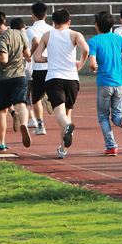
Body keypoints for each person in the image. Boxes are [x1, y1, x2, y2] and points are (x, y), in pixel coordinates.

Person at [33, 9, 90, 159]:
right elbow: (86, 49)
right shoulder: (75, 34)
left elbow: (37, 58)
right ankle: (63, 149)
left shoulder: (47, 35)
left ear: (54, 22)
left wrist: (49, 59)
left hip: (54, 77)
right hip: (72, 78)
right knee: (67, 114)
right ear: (69, 22)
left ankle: (67, 128)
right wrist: (81, 64)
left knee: (59, 114)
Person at [88, 11, 122, 156]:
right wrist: (119, 64)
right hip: (120, 82)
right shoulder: (118, 38)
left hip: (104, 82)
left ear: (96, 24)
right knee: (116, 115)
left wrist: (96, 67)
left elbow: (92, 64)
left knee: (103, 116)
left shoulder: (94, 41)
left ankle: (112, 146)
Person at [0, 13, 32, 151]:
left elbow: (3, 59)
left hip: (3, 78)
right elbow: (27, 54)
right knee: (21, 104)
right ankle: (23, 123)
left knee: (2, 111)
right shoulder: (19, 34)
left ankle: (1, 142)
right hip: (20, 75)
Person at [26, 2, 52, 136]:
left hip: (39, 67)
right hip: (52, 67)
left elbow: (35, 42)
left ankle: (40, 125)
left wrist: (31, 54)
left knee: (35, 98)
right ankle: (48, 97)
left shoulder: (30, 30)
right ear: (46, 15)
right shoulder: (52, 29)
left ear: (33, 16)